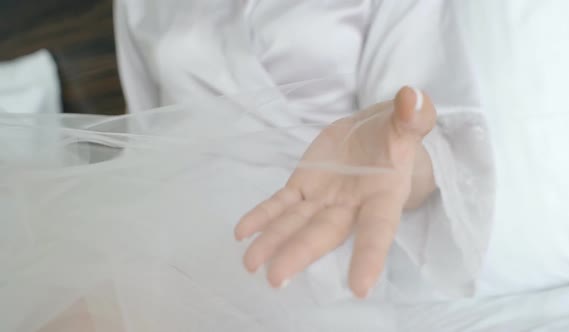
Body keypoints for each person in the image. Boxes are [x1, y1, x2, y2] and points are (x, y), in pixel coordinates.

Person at [114, 0, 494, 299]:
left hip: (305, 236)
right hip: (161, 228)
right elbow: (144, 136)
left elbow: (430, 140)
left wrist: (389, 156)